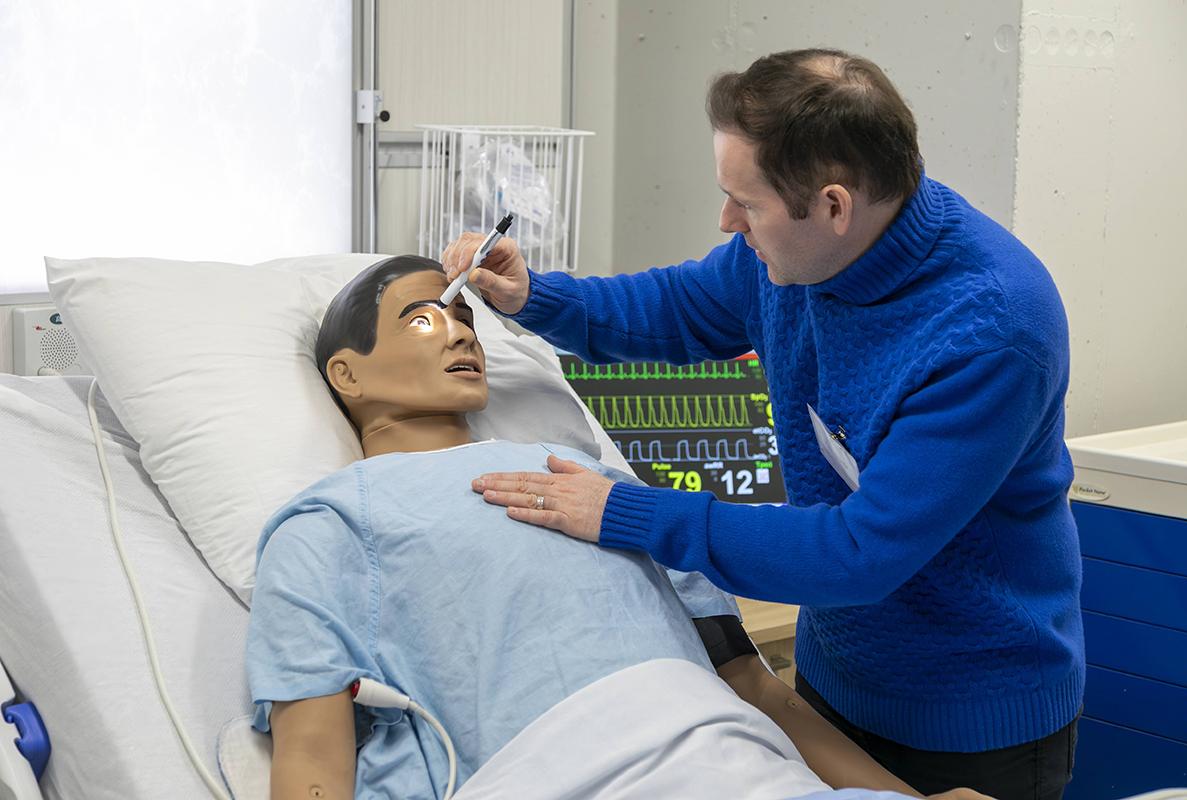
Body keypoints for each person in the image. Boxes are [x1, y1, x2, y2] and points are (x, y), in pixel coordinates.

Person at [442, 48, 1083, 799]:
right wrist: (535, 298)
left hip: (974, 721)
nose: (726, 221)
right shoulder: (788, 256)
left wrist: (626, 510)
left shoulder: (991, 330)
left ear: (835, 206)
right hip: (834, 681)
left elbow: (857, 554)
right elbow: (676, 309)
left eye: (745, 204)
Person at [245, 255, 989, 800]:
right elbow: (313, 759)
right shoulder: (329, 524)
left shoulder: (601, 488)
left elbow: (755, 690)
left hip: (739, 762)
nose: (460, 334)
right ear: (347, 375)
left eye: (467, 317)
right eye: (424, 318)